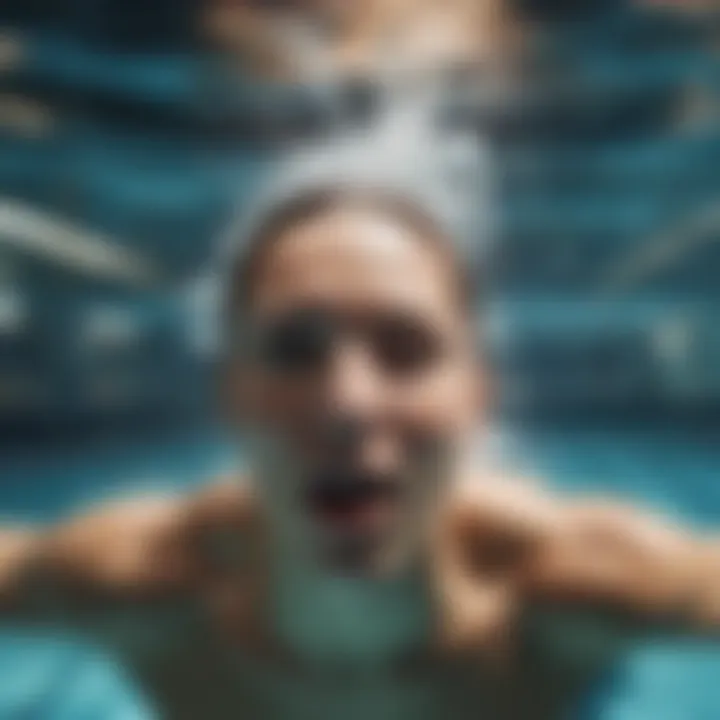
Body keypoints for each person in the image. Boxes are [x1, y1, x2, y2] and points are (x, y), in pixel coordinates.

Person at [0, 184, 719, 719]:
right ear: (228, 395)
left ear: (479, 396)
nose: (348, 406)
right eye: (294, 349)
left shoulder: (579, 589)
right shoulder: (140, 586)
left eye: (406, 350)